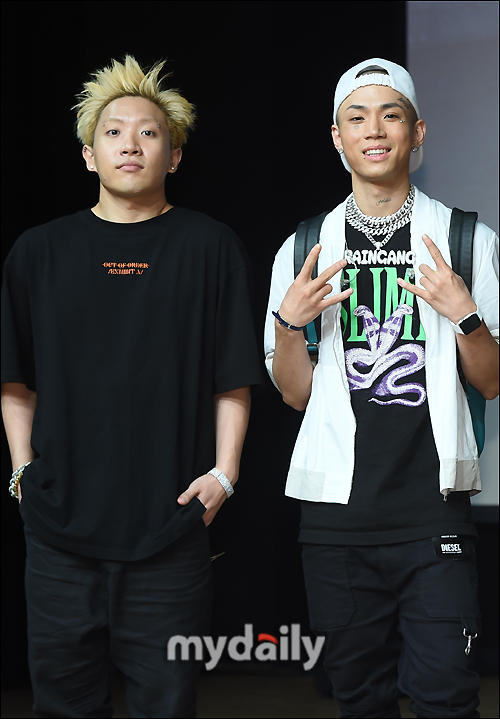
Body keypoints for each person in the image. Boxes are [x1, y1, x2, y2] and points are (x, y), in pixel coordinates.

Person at [1, 55, 262, 718]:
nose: (131, 144)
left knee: (167, 703)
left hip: (171, 525)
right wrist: (23, 470)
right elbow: (15, 378)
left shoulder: (210, 246)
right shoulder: (38, 252)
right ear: (89, 155)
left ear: (174, 156)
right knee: (63, 703)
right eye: (114, 132)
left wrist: (225, 474)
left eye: (149, 133)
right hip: (59, 528)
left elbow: (232, 377)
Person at [264, 58, 499, 718]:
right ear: (336, 137)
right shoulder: (305, 247)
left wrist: (465, 314)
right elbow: (294, 394)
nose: (374, 130)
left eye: (390, 115)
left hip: (434, 514)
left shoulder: (465, 239)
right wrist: (289, 325)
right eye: (357, 118)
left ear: (416, 132)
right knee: (360, 700)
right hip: (335, 522)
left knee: (447, 698)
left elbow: (491, 380)